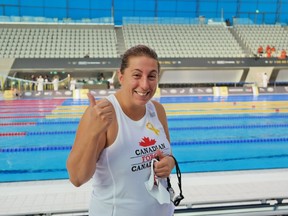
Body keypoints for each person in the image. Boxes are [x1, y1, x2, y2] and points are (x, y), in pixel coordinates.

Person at [66, 45, 176, 216]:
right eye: (137, 75)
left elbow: (168, 154)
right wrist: (94, 134)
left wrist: (169, 163)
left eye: (152, 76)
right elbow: (77, 178)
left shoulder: (157, 110)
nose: (145, 84)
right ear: (121, 76)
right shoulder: (102, 114)